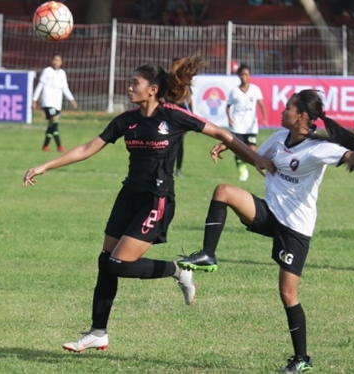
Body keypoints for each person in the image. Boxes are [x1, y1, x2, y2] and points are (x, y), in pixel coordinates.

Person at [22, 55, 275, 353]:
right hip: (128, 196)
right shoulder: (126, 121)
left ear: (153, 89)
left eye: (135, 83)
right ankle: (97, 332)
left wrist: (255, 157)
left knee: (118, 263)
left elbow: (221, 132)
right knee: (106, 261)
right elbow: (89, 147)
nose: (129, 87)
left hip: (158, 200)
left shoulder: (173, 116)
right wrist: (45, 166)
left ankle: (178, 271)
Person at [177, 89, 354, 373]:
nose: (282, 111)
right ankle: (208, 255)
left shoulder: (318, 148)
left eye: (287, 107)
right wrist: (230, 146)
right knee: (224, 191)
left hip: (295, 229)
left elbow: (350, 154)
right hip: (269, 213)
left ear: (302, 116)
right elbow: (256, 156)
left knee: (287, 294)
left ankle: (302, 359)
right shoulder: (279, 138)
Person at [226, 64, 268, 181]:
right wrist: (229, 118)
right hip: (237, 125)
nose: (244, 77)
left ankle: (246, 164)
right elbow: (228, 106)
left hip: (251, 126)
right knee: (238, 148)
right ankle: (241, 169)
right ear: (239, 76)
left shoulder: (255, 89)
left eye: (246, 74)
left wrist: (264, 118)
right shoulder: (234, 91)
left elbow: (261, 104)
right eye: (242, 74)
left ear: (250, 76)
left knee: (252, 149)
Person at [32, 54, 78, 152]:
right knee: (55, 120)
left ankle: (45, 146)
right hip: (47, 102)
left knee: (51, 125)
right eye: (54, 60)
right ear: (51, 61)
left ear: (61, 62)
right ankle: (59, 146)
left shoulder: (62, 73)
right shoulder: (47, 71)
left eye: (58, 60)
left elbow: (65, 88)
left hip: (57, 103)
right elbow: (40, 85)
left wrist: (71, 99)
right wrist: (34, 100)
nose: (56, 62)